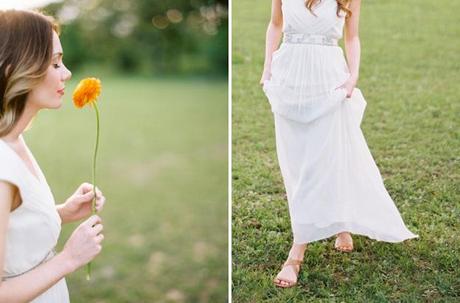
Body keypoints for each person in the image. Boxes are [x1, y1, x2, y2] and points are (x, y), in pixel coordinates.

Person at [260, 0, 419, 288]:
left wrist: (353, 75)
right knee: (297, 161)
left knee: (325, 158)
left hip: (328, 78)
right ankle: (341, 223)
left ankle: (297, 253)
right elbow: (275, 24)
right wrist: (267, 67)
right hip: (290, 78)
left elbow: (352, 36)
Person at [0, 10, 106, 302]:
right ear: (17, 68)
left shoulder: (14, 140)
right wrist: (69, 258)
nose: (67, 73)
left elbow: (14, 233)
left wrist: (62, 213)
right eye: (55, 63)